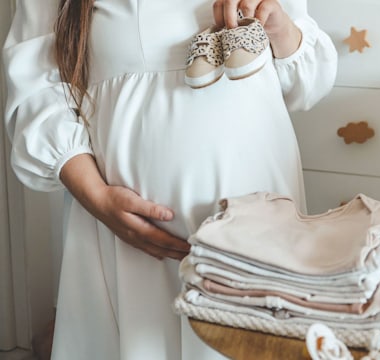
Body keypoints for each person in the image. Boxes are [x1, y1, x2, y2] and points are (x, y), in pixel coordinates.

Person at [2, 0, 337, 358]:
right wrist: (96, 197)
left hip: (254, 197)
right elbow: (37, 90)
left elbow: (307, 82)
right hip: (128, 231)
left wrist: (278, 26)